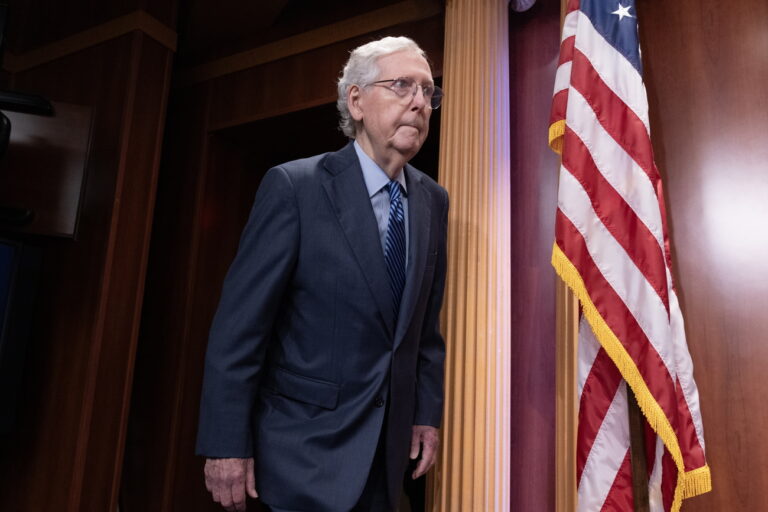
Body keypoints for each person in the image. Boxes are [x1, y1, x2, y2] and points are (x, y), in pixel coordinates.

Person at [196, 36, 448, 512]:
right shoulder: (295, 187)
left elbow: (424, 332)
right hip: (301, 456)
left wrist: (424, 415)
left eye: (428, 92)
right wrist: (225, 443)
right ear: (356, 100)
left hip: (387, 461)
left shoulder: (433, 200)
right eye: (401, 86)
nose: (419, 102)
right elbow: (239, 331)